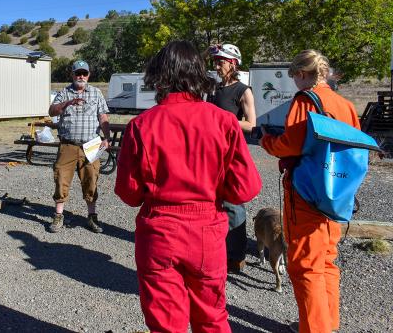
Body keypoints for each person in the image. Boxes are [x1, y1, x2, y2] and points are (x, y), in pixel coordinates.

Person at [114, 40, 262, 332]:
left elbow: (129, 193)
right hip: (207, 232)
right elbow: (245, 189)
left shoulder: (141, 125)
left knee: (166, 323)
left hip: (159, 231)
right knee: (212, 318)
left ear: (158, 76)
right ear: (199, 74)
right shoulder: (224, 122)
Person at [260, 50, 358, 333]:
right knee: (326, 260)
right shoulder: (344, 104)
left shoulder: (306, 100)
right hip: (336, 193)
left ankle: (314, 329)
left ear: (302, 74)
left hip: (306, 193)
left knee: (305, 266)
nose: (294, 82)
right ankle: (326, 324)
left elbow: (290, 144)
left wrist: (268, 141)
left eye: (294, 77)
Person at [208, 43, 256, 273]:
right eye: (216, 61)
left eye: (221, 61)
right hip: (212, 153)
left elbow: (251, 123)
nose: (217, 66)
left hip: (233, 153)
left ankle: (237, 255)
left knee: (234, 204)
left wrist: (225, 122)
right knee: (214, 202)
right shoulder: (214, 90)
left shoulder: (243, 90)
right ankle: (217, 249)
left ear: (233, 63)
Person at [48, 60, 110, 233]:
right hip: (67, 145)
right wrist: (67, 103)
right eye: (78, 73)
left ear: (89, 75)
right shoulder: (64, 92)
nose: (81, 76)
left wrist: (107, 137)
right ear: (72, 75)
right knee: (61, 179)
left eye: (84, 73)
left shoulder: (96, 93)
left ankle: (92, 216)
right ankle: (58, 216)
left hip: (91, 145)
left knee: (91, 180)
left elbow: (103, 117)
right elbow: (52, 111)